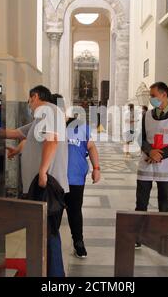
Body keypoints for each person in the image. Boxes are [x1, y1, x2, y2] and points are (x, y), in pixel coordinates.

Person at [6, 85, 68, 277]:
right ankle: (45, 273)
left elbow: (52, 140)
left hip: (46, 185)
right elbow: (17, 133)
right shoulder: (40, 118)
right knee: (42, 233)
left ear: (35, 97)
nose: (28, 104)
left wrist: (42, 171)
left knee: (48, 233)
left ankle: (56, 277)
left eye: (29, 100)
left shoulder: (49, 111)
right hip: (40, 184)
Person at [135, 82, 168, 249]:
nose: (151, 99)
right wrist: (151, 152)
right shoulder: (147, 116)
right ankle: (138, 235)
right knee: (141, 201)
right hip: (147, 161)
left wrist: (160, 154)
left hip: (166, 163)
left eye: (153, 95)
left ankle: (164, 235)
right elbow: (141, 138)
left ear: (164, 95)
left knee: (164, 202)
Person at [51, 94, 101, 259]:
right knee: (54, 213)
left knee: (74, 212)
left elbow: (91, 147)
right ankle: (51, 245)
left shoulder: (79, 125)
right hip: (55, 180)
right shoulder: (48, 127)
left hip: (75, 179)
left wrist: (96, 168)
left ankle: (78, 243)